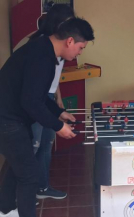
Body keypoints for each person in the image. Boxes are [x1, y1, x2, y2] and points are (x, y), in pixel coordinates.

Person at [0, 17, 94, 217]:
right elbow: (31, 102)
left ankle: (5, 209)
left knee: (15, 167)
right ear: (69, 41)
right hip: (7, 119)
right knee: (29, 176)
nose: (79, 52)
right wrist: (58, 126)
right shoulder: (42, 57)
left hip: (11, 117)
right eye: (80, 48)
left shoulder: (42, 49)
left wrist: (59, 112)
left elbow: (38, 95)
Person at [30, 4, 75, 200]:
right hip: (37, 99)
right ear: (59, 23)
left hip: (48, 98)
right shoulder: (41, 44)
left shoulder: (62, 43)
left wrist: (59, 101)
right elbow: (33, 88)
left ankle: (42, 187)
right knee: (34, 144)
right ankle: (22, 192)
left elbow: (54, 77)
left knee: (46, 143)